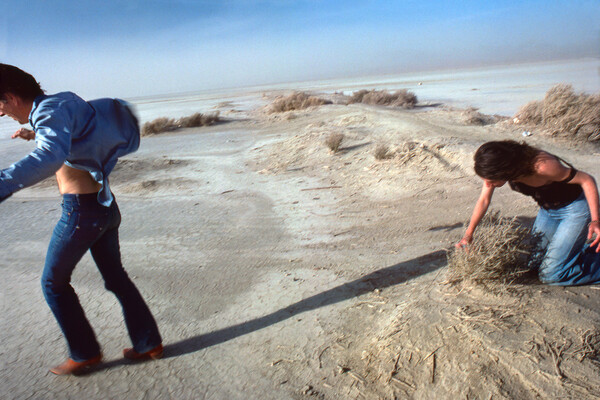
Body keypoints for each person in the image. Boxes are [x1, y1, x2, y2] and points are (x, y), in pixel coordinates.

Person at [0, 64, 162, 375]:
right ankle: (148, 342)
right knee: (116, 278)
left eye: (0, 107)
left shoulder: (48, 113)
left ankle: (85, 352)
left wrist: (4, 182)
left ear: (8, 97)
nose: (2, 114)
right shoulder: (64, 102)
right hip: (106, 208)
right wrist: (32, 134)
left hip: (81, 214)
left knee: (53, 284)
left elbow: (50, 156)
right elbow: (74, 137)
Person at [456, 140, 600, 285]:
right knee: (533, 265)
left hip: (574, 210)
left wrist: (595, 220)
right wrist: (468, 235)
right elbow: (484, 201)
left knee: (551, 275)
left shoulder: (543, 166)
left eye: (490, 179)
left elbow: (587, 180)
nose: (487, 184)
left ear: (503, 170)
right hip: (548, 211)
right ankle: (574, 251)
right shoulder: (502, 167)